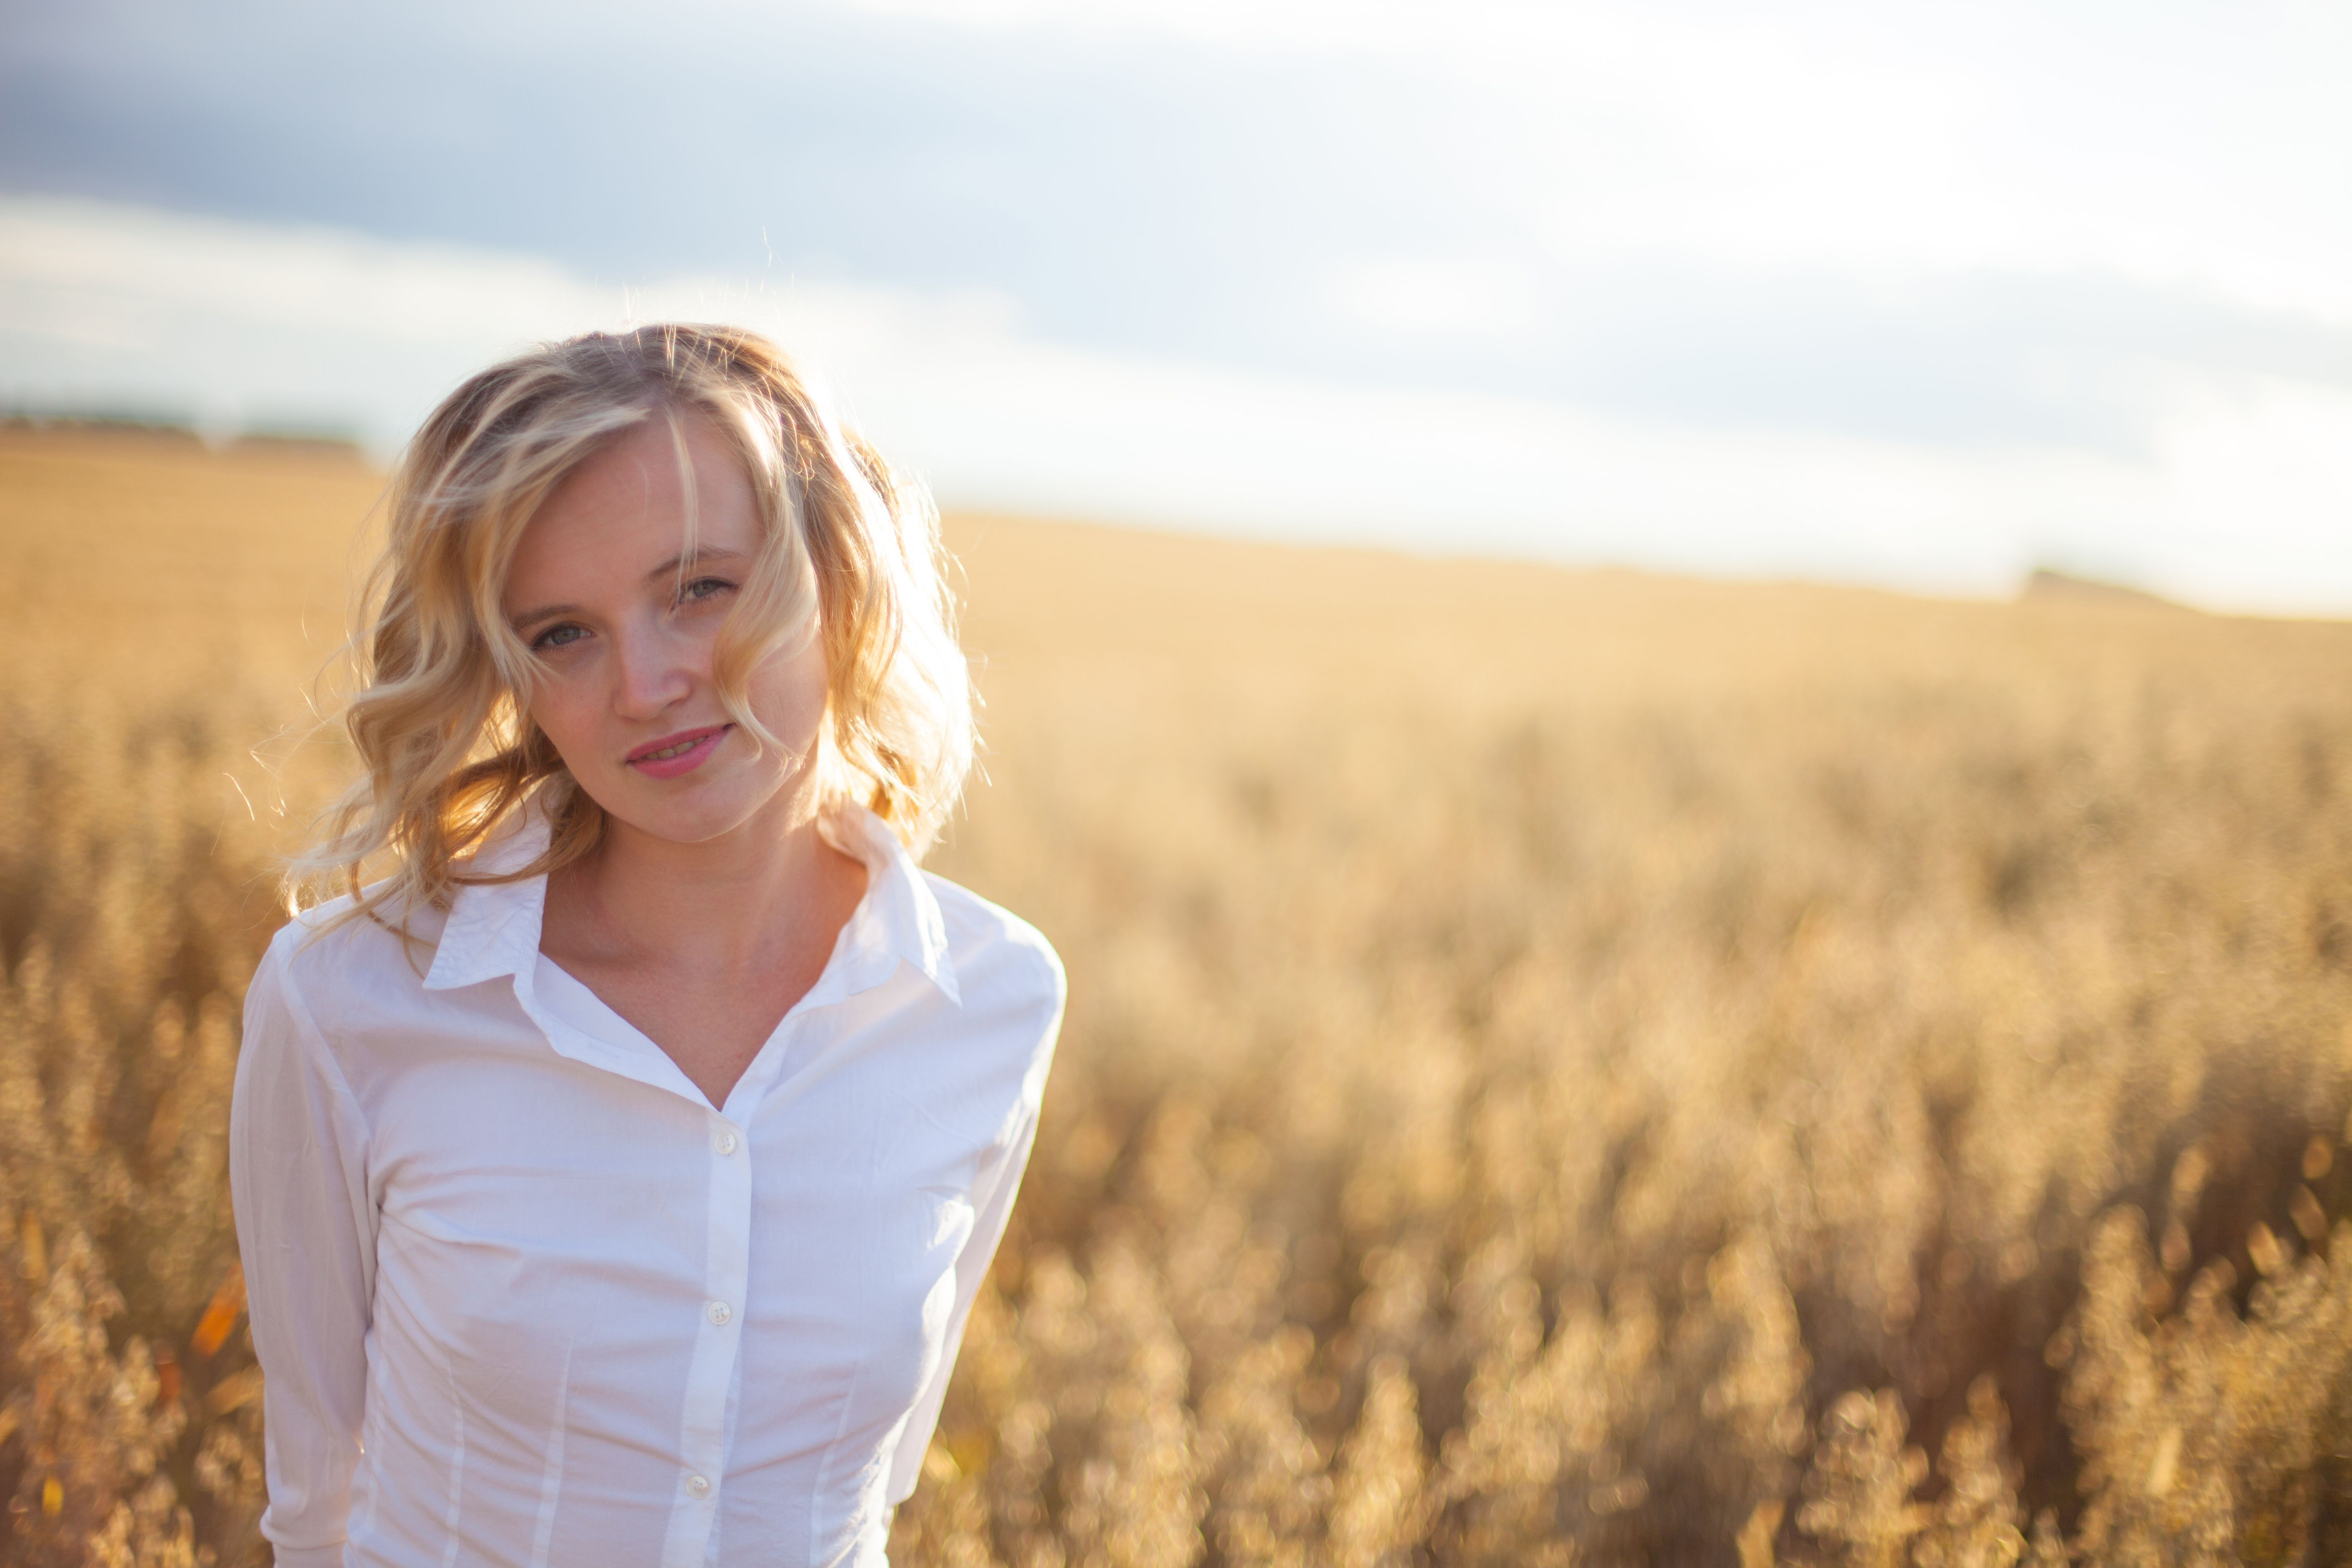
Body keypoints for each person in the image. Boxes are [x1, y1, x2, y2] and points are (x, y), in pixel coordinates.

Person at [229, 325, 1063, 1568]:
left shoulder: (986, 1002)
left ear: (833, 575)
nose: (648, 682)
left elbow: (871, 1490)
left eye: (699, 590)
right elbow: (315, 1504)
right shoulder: (352, 999)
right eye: (564, 633)